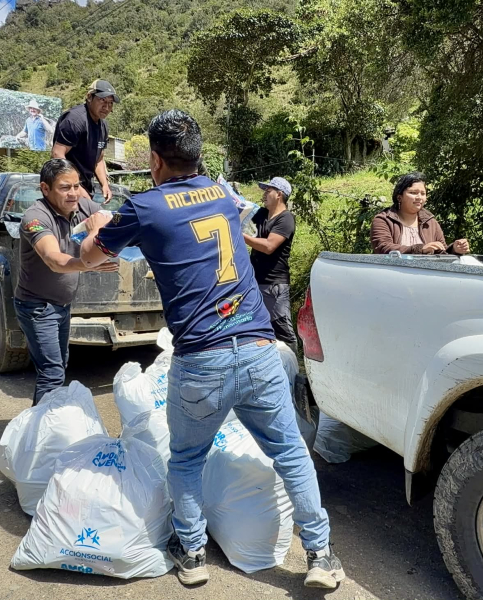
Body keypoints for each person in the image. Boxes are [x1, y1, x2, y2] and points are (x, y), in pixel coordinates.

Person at [80, 110, 345, 590]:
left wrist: (99, 223)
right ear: (198, 156)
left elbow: (89, 256)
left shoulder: (144, 207)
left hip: (203, 358)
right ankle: (322, 556)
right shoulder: (223, 198)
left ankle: (194, 553)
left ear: (155, 160)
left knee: (186, 459)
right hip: (260, 349)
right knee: (289, 451)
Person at [14, 159, 118, 405]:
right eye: (64, 187)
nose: (73, 193)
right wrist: (89, 261)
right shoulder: (35, 217)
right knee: (52, 374)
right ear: (45, 188)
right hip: (36, 306)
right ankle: (42, 437)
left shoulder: (81, 206)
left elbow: (113, 220)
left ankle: (46, 426)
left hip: (62, 305)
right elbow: (53, 260)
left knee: (59, 366)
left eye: (76, 186)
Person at [243, 176, 298, 354]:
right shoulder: (261, 214)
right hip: (255, 281)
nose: (264, 194)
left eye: (268, 190)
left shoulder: (286, 219)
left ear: (279, 195)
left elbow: (268, 246)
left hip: (275, 284)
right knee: (257, 328)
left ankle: (295, 370)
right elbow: (244, 219)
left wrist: (240, 236)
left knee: (282, 328)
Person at [51, 79, 119, 203]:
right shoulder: (75, 120)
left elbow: (98, 159)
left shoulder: (103, 126)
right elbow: (57, 154)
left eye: (110, 103)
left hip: (86, 188)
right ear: (89, 97)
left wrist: (104, 184)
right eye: (102, 100)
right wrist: (76, 188)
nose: (106, 107)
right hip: (65, 191)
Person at [370, 171, 470, 255]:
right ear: (399, 197)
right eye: (413, 193)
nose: (419, 197)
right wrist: (419, 249)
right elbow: (383, 248)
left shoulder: (430, 222)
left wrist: (454, 250)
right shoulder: (383, 220)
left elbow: (441, 253)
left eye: (423, 193)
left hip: (425, 276)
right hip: (393, 274)